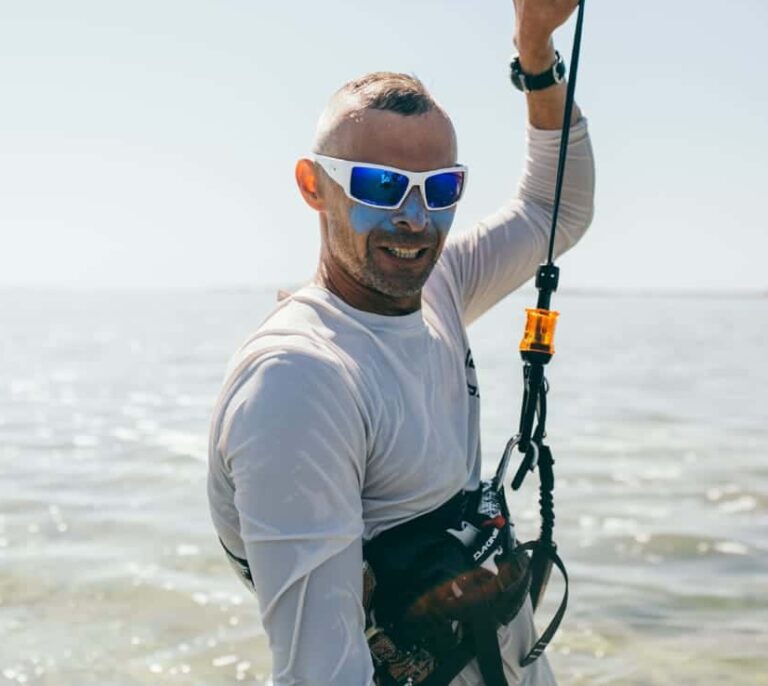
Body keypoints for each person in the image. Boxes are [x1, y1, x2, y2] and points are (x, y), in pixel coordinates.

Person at [207, 0, 595, 683]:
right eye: (380, 186)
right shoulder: (300, 382)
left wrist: (534, 53)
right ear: (313, 186)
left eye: (439, 188)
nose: (414, 219)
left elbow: (555, 207)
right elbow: (322, 670)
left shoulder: (438, 287)